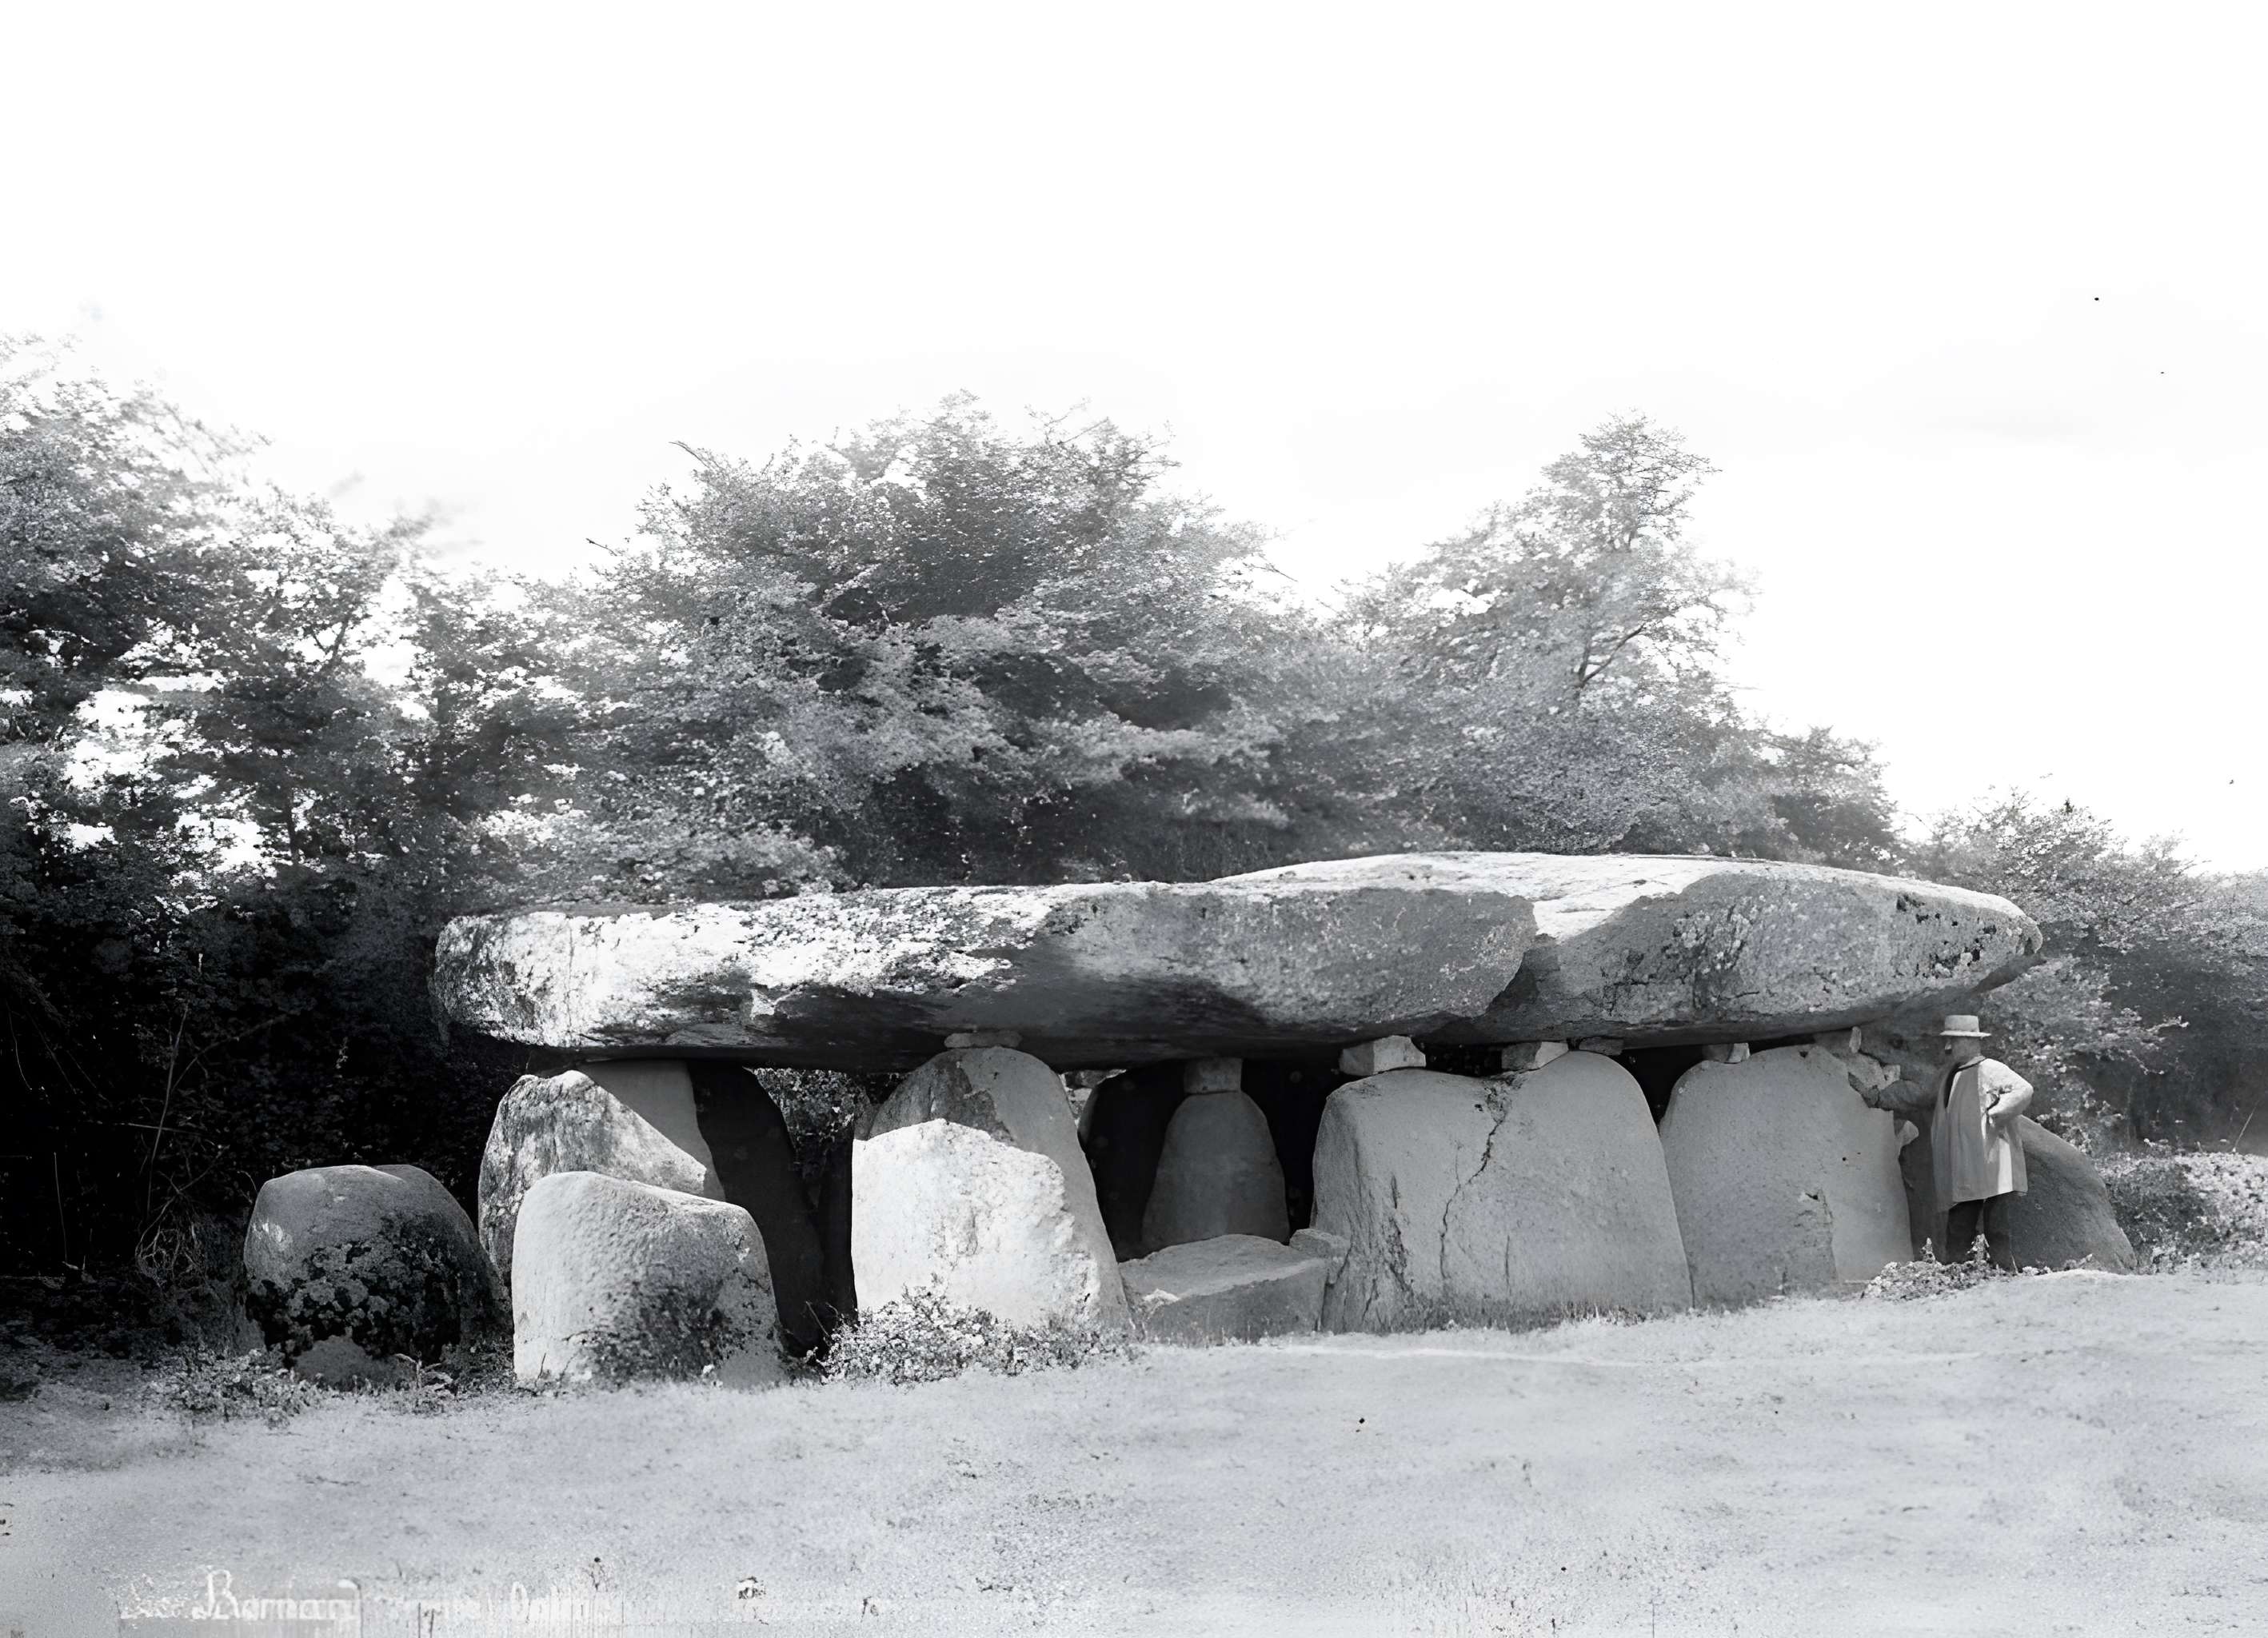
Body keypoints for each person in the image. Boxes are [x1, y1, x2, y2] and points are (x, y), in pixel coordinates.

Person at [1930, 1013, 2033, 1270]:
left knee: (1996, 1228)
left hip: (1992, 1164)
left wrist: (1998, 1114)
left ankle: (2006, 1276)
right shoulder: (1949, 1075)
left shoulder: (1991, 1069)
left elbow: (2023, 1090)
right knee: (1958, 1229)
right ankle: (1955, 1277)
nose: (1948, 1047)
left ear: (1970, 1041)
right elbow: (1924, 1098)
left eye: (1953, 1040)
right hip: (1966, 1167)